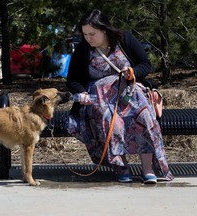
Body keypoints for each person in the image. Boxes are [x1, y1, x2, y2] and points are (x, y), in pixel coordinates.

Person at [66, 9, 174, 184]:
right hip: (100, 97)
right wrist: (82, 93)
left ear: (105, 30)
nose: (88, 38)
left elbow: (145, 64)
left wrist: (133, 73)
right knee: (108, 120)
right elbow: (72, 80)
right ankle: (121, 166)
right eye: (85, 34)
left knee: (144, 115)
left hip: (129, 92)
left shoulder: (125, 39)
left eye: (92, 34)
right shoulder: (83, 49)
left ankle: (147, 168)